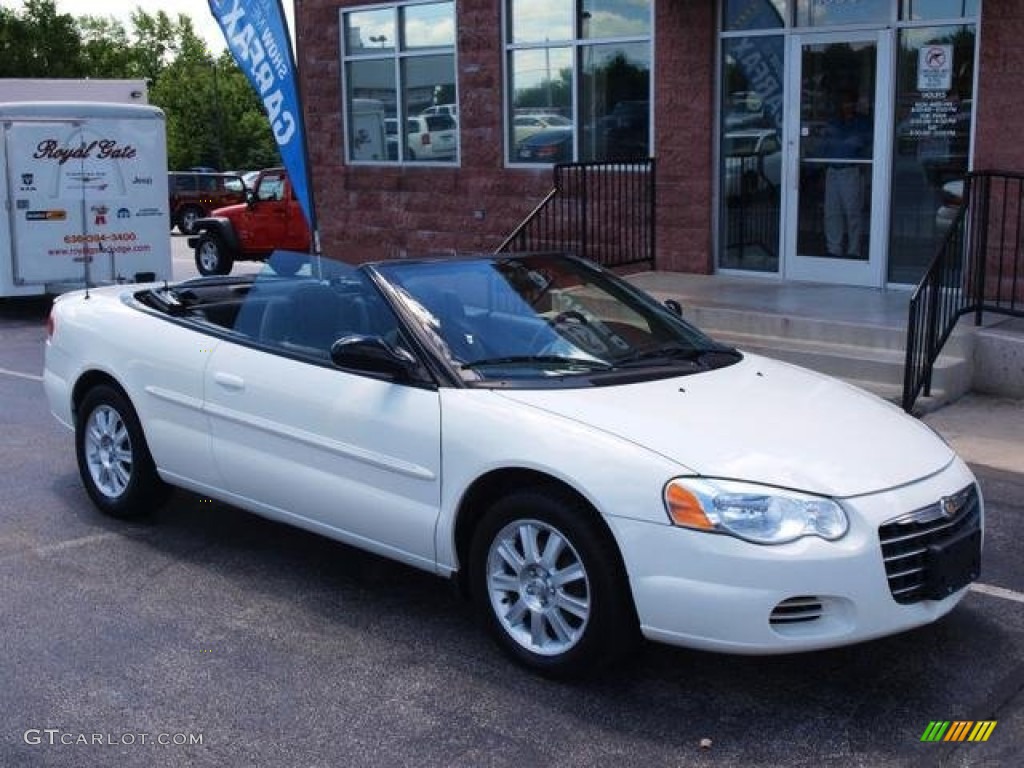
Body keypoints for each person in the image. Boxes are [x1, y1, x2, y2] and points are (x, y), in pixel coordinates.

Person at [821, 88, 872, 258]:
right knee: (832, 211)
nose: (846, 105)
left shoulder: (862, 122)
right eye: (844, 102)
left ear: (855, 103)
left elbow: (860, 143)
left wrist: (841, 141)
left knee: (853, 211)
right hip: (832, 170)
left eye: (850, 102)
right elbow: (825, 144)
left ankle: (853, 249)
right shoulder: (834, 121)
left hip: (851, 170)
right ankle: (833, 248)